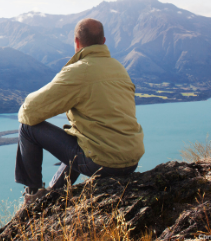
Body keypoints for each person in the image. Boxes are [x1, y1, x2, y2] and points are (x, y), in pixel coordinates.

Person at [15, 18, 144, 203]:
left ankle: (34, 197)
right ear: (104, 41)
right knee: (80, 136)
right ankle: (53, 193)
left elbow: (29, 112)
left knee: (27, 129)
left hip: (102, 162)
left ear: (76, 42)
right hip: (131, 160)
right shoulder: (119, 68)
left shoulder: (79, 71)